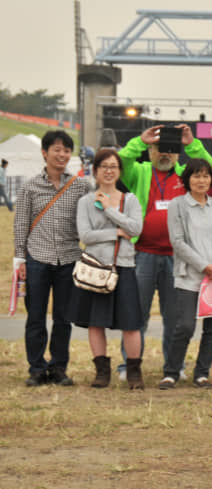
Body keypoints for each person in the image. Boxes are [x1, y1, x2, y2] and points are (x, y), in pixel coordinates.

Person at [117, 123, 212, 380]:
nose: (165, 154)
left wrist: (191, 143)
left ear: (177, 154)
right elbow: (121, 160)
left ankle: (175, 366)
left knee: (175, 317)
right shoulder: (138, 172)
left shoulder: (186, 175)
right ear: (150, 151)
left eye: (170, 150)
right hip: (143, 254)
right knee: (136, 313)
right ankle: (129, 365)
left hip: (178, 257)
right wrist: (140, 140)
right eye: (158, 149)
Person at [14, 130, 92, 386]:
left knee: (63, 318)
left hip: (69, 259)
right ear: (44, 152)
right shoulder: (30, 187)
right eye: (57, 149)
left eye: (66, 150)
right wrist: (19, 260)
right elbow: (20, 225)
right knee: (35, 317)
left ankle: (58, 368)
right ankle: (36, 368)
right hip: (37, 258)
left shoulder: (80, 185)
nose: (62, 154)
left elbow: (94, 211)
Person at [66, 149, 144, 389]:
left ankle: (133, 373)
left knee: (130, 324)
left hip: (124, 266)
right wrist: (116, 232)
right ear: (95, 171)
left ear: (119, 171)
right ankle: (101, 372)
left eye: (113, 167)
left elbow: (136, 229)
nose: (109, 171)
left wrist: (110, 209)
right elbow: (86, 236)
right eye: (104, 167)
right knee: (95, 322)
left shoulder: (129, 200)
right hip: (96, 268)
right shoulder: (85, 202)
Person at [159, 159, 212, 389]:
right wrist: (204, 266)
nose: (201, 180)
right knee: (185, 326)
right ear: (187, 179)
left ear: (211, 179)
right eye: (196, 175)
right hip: (189, 276)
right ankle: (171, 372)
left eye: (205, 176)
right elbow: (177, 242)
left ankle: (202, 373)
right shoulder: (178, 205)